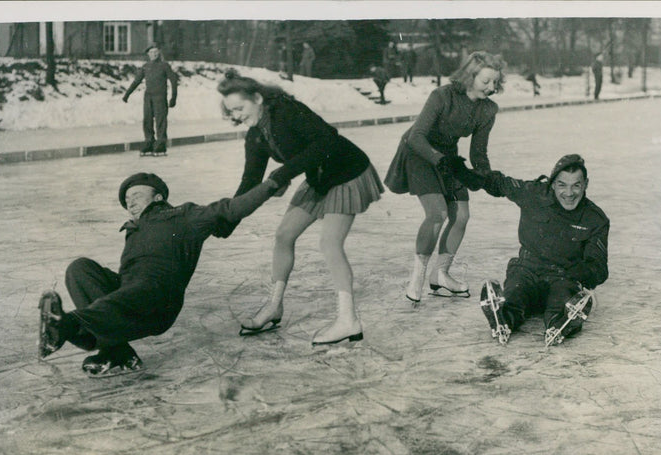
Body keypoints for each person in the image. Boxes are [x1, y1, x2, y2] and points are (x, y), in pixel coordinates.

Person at [37, 172, 285, 377]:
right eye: (126, 199)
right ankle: (118, 353)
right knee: (80, 268)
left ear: (158, 196)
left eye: (136, 195)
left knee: (140, 287)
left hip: (160, 299)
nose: (130, 202)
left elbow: (232, 209)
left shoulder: (185, 216)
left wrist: (271, 185)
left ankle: (66, 326)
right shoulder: (135, 228)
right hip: (131, 292)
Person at [217, 70, 384, 346]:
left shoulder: (286, 110)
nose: (236, 115)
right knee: (284, 235)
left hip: (346, 172)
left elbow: (328, 140)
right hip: (318, 178)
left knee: (330, 243)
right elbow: (250, 181)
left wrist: (283, 174)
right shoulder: (256, 136)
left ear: (257, 98)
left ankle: (348, 320)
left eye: (239, 107)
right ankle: (274, 306)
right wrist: (229, 217)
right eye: (231, 111)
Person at [384, 51, 505, 302]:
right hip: (420, 152)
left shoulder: (487, 109)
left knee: (461, 215)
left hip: (449, 157)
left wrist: (485, 177)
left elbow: (479, 153)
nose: (492, 88)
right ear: (470, 76)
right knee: (437, 213)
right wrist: (440, 160)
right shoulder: (443, 96)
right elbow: (417, 135)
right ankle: (417, 276)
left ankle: (440, 275)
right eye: (486, 82)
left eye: (496, 82)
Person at [452, 154, 609, 345]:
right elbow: (501, 184)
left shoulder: (595, 219)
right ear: (552, 184)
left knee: (561, 300)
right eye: (562, 185)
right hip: (527, 270)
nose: (569, 193)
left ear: (586, 184)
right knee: (516, 295)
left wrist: (577, 274)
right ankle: (503, 319)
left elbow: (599, 267)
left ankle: (561, 322)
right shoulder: (534, 194)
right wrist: (466, 175)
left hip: (562, 277)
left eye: (576, 185)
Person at [122, 43, 178, 156]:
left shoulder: (164, 65)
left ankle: (161, 144)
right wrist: (127, 94)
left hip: (160, 97)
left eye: (156, 52)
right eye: (152, 52)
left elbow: (173, 81)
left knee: (160, 121)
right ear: (148, 54)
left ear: (159, 53)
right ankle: (149, 142)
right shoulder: (146, 66)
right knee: (147, 121)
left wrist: (173, 98)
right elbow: (136, 81)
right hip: (148, 97)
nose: (154, 54)